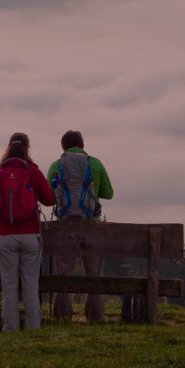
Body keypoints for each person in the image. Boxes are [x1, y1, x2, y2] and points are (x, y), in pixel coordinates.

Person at [0, 133, 55, 332]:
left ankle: (10, 328)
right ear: (27, 148)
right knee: (31, 285)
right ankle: (33, 327)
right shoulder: (32, 172)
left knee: (9, 285)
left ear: (8, 148)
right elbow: (50, 199)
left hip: (6, 236)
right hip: (30, 235)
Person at [47, 130, 114, 322]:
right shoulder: (95, 164)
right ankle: (95, 316)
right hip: (92, 226)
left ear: (63, 147)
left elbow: (49, 197)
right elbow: (109, 193)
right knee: (94, 274)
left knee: (63, 274)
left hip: (65, 228)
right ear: (83, 145)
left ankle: (62, 316)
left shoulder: (56, 165)